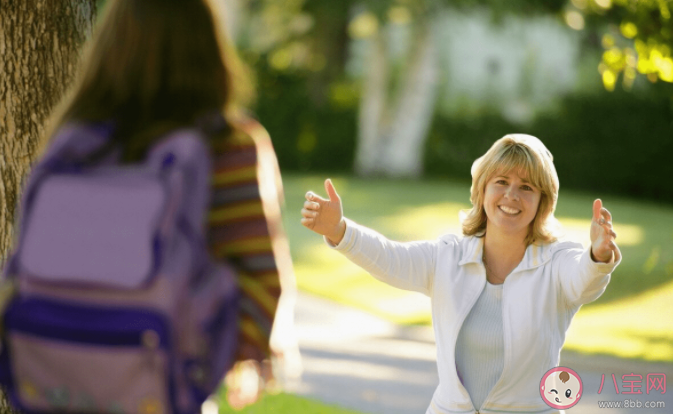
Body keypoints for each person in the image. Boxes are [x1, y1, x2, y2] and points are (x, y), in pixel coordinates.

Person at [36, 0, 295, 408]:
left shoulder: (73, 143)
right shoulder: (227, 147)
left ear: (112, 44)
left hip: (62, 382)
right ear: (206, 47)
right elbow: (262, 283)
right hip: (165, 386)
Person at [301, 134, 620, 414]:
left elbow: (584, 279)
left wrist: (599, 254)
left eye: (526, 187)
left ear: (542, 202)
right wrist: (340, 231)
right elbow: (390, 258)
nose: (511, 195)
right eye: (501, 182)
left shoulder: (558, 260)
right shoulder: (449, 255)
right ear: (482, 190)